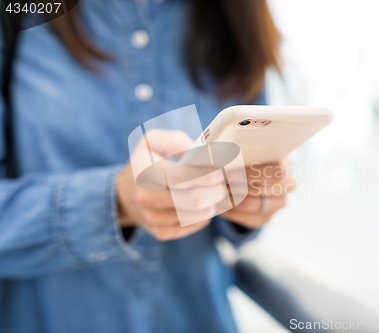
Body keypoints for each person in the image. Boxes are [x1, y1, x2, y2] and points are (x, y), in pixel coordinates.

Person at [0, 1, 295, 332]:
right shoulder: (19, 15)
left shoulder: (233, 16)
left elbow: (245, 214)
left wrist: (254, 202)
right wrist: (112, 203)